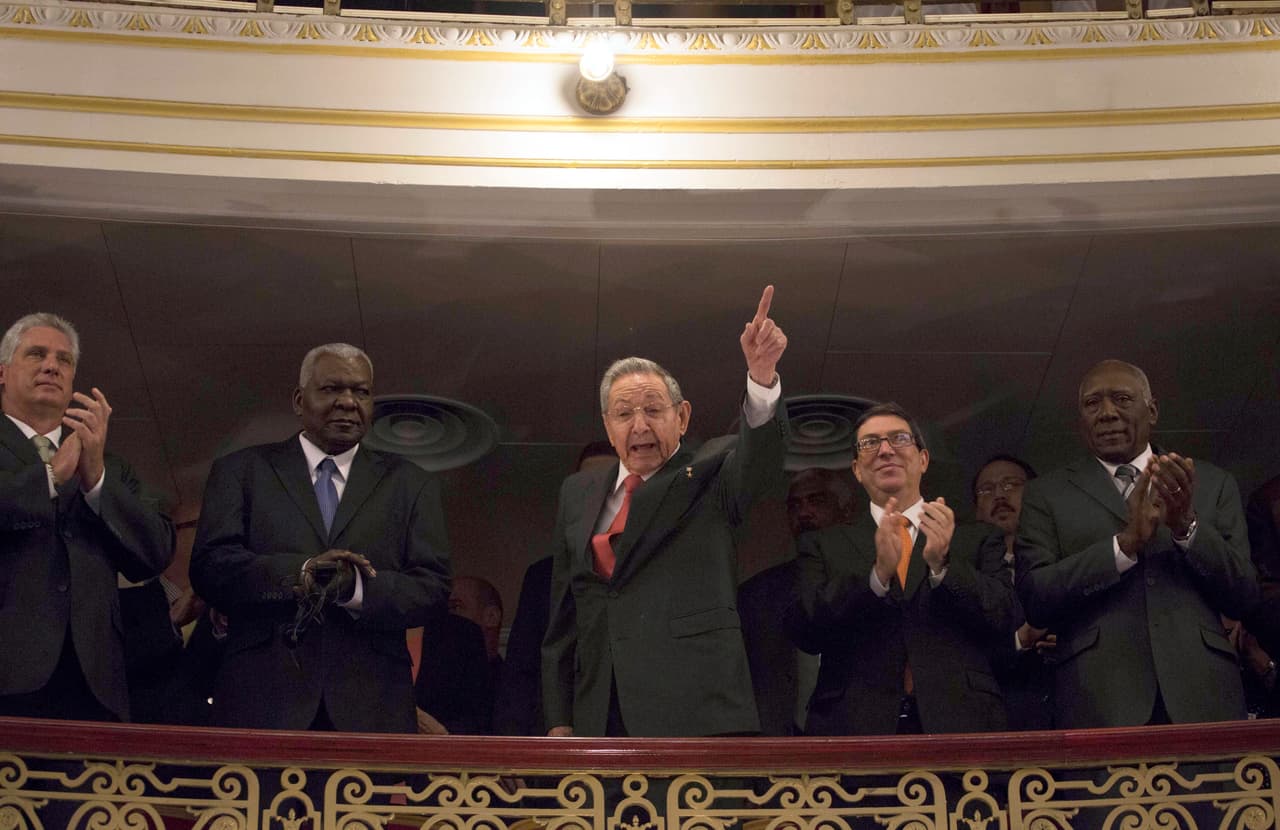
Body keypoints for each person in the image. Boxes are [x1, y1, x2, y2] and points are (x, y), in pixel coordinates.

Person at [542, 285, 789, 737]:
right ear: (607, 425)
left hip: (697, 713)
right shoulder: (577, 492)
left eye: (654, 409)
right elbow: (564, 613)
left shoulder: (712, 472)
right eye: (624, 413)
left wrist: (761, 377)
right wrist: (559, 718)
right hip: (601, 715)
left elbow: (760, 464)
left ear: (683, 417)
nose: (640, 425)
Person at [190, 342, 451, 732]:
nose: (348, 402)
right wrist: (303, 573)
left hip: (371, 708)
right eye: (331, 389)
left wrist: (355, 588)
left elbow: (432, 588)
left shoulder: (411, 484)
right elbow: (211, 568)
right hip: (262, 705)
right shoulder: (241, 471)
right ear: (299, 400)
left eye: (361, 392)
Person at [1015, 359, 1258, 728]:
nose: (1107, 413)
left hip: (1203, 697)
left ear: (1153, 410)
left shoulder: (1210, 483)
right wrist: (1122, 548)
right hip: (1097, 700)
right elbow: (1035, 598)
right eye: (1092, 404)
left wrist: (1186, 528)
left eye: (1122, 399)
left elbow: (1245, 594)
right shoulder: (1046, 494)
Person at [787, 402, 1013, 735]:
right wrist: (876, 577)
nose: (885, 450)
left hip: (962, 729)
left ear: (923, 459)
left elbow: (1006, 618)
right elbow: (806, 630)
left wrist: (943, 567)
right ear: (856, 470)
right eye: (870, 443)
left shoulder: (976, 538)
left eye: (899, 439)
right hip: (854, 732)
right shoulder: (823, 544)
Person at [0, 312, 175, 722]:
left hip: (94, 682)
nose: (51, 366)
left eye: (64, 360)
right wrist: (48, 476)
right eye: (37, 354)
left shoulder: (109, 467)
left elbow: (156, 551)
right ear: (3, 373)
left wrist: (96, 480)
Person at [492, 441, 615, 736]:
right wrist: (512, 752)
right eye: (586, 485)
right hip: (559, 738)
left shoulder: (653, 568)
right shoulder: (543, 577)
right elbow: (521, 670)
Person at [739, 467, 855, 736]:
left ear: (847, 510)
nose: (804, 513)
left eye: (817, 501)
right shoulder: (756, 593)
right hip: (775, 751)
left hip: (859, 745)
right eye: (795, 506)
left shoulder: (873, 579)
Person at [972, 454, 1054, 731]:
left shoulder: (1065, 560)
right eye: (987, 489)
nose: (999, 495)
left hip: (1066, 713)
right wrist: (1023, 638)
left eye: (1011, 485)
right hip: (991, 724)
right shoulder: (960, 574)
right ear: (976, 510)